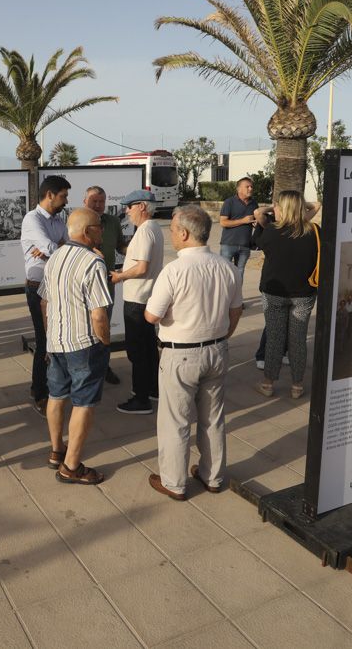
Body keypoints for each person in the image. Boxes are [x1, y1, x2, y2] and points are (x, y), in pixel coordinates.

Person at [144, 205, 242, 500]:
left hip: (180, 354)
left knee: (175, 420)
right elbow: (235, 311)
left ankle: (174, 482)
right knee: (213, 417)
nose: (171, 234)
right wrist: (222, 335)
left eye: (173, 230)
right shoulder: (228, 267)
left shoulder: (173, 270)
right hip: (216, 349)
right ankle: (213, 476)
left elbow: (151, 316)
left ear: (184, 233)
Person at [38, 208, 112, 485]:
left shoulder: (54, 257)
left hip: (56, 340)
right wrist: (105, 340)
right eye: (99, 226)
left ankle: (57, 450)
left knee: (56, 396)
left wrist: (48, 336)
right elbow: (98, 314)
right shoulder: (93, 263)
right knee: (84, 403)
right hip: (83, 344)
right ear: (87, 231)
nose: (102, 231)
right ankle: (71, 466)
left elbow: (44, 302)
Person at [252, 190, 320, 398]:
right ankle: (297, 385)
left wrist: (272, 208)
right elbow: (316, 205)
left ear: (281, 208)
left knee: (275, 338)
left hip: (275, 293)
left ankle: (268, 383)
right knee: (298, 339)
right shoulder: (314, 230)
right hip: (304, 293)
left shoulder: (271, 231)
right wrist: (300, 206)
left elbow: (258, 213)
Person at [110, 189, 164, 414]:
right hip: (146, 297)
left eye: (129, 206)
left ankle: (140, 398)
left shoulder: (144, 232)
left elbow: (141, 268)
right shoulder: (154, 228)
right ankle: (152, 389)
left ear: (142, 206)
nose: (126, 211)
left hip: (137, 300)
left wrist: (119, 276)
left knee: (137, 351)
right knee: (149, 348)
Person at [21, 176, 70, 417]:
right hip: (38, 287)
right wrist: (55, 247)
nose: (66, 200)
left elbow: (64, 246)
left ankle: (56, 388)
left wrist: (55, 248)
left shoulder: (59, 220)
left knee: (57, 338)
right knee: (44, 341)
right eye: (63, 196)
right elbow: (54, 248)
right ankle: (39, 393)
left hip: (57, 286)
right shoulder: (32, 219)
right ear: (49, 195)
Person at [83, 185, 128, 385]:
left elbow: (120, 244)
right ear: (85, 202)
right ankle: (84, 370)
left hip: (106, 285)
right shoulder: (77, 221)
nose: (99, 205)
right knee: (85, 329)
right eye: (94, 201)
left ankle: (103, 367)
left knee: (104, 328)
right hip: (83, 287)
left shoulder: (112, 221)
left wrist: (138, 252)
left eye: (102, 201)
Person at [218, 176, 257, 296]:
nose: (250, 188)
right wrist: (243, 221)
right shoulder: (229, 202)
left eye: (251, 186)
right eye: (247, 186)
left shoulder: (253, 203)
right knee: (225, 273)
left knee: (239, 273)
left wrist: (256, 222)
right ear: (239, 188)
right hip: (228, 245)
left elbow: (255, 220)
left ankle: (237, 300)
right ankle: (223, 299)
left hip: (245, 245)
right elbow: (223, 222)